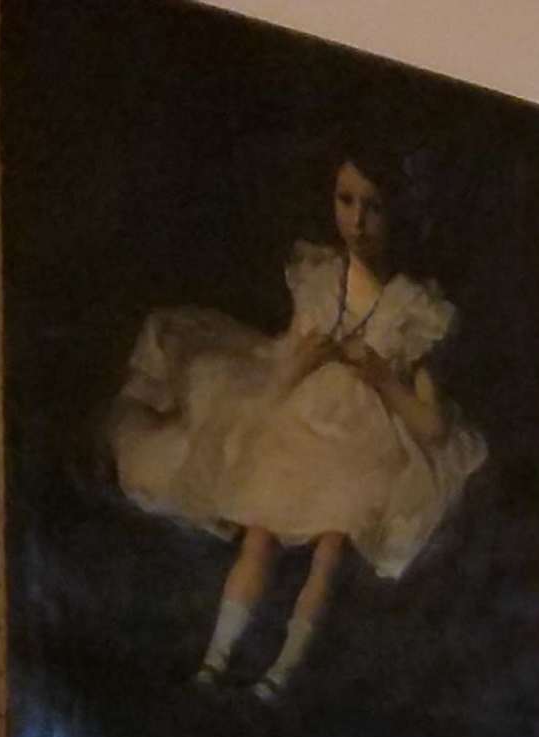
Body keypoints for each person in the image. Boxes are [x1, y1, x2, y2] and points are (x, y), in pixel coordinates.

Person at [106, 151, 489, 704]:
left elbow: (431, 426)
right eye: (347, 201)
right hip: (297, 423)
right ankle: (213, 666)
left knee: (328, 549)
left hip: (362, 446)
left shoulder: (414, 307)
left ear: (400, 214)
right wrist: (301, 362)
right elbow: (280, 364)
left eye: (374, 207)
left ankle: (277, 680)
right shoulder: (318, 279)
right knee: (259, 533)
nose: (357, 221)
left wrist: (382, 378)